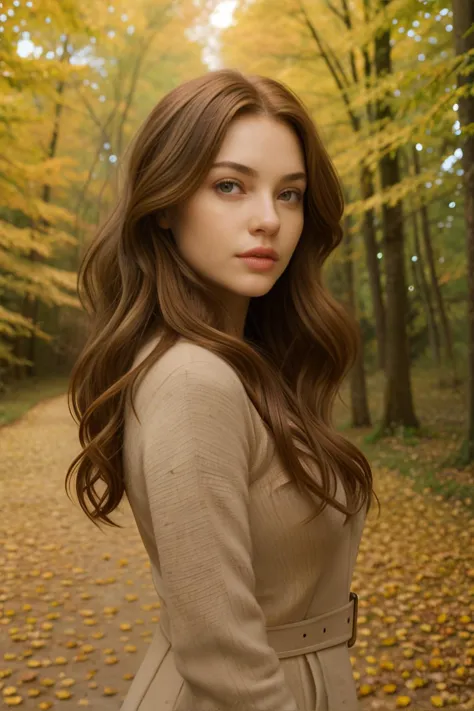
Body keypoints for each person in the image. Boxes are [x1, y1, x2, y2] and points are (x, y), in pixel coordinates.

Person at [66, 69, 376, 711]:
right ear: (164, 207)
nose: (268, 220)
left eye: (289, 195)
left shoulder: (251, 367)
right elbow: (224, 661)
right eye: (230, 186)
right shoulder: (193, 380)